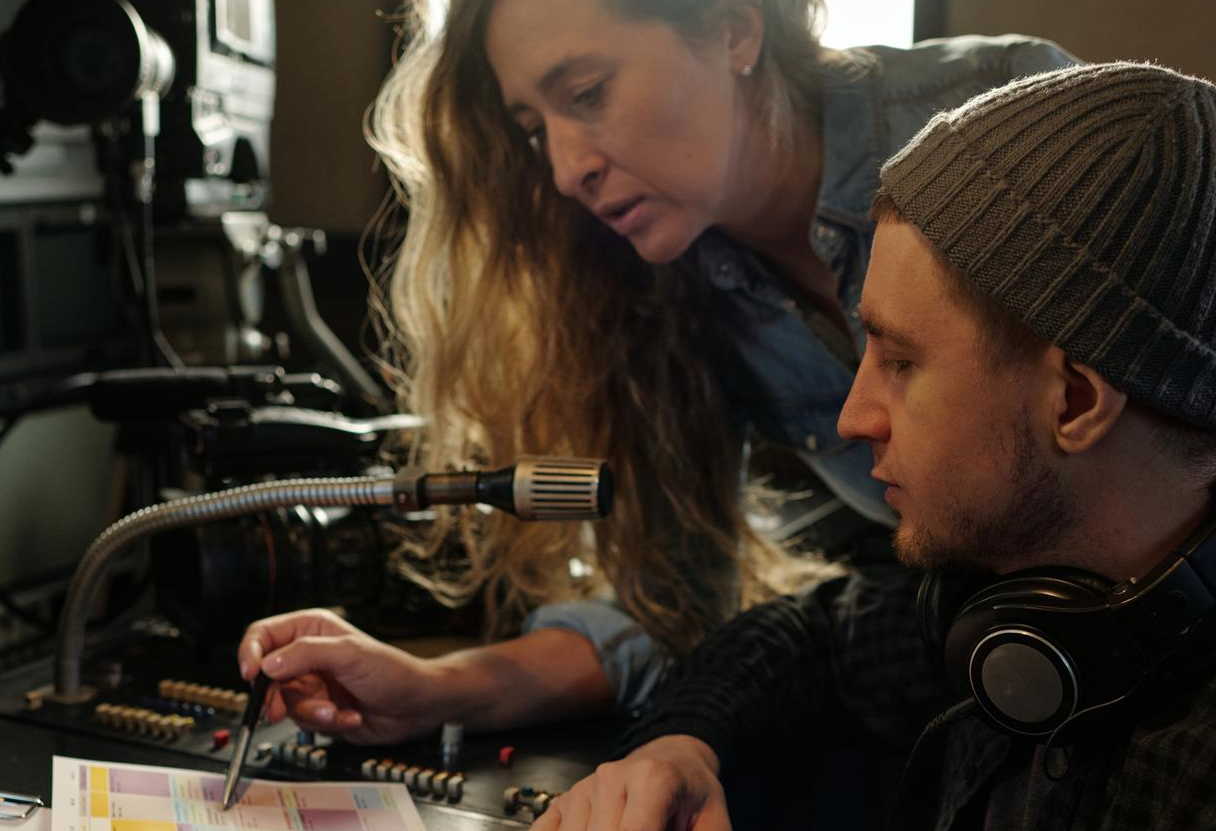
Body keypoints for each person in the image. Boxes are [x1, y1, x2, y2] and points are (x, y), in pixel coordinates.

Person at [238, 0, 1080, 739]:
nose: (566, 171)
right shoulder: (665, 279)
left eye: (587, 94)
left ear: (732, 28)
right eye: (535, 130)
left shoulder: (1004, 115)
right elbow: (672, 605)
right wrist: (433, 689)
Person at [529, 62, 1216, 831]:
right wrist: (676, 750)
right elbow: (805, 639)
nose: (854, 419)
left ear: (1078, 401)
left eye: (900, 362)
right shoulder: (1029, 598)